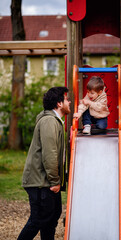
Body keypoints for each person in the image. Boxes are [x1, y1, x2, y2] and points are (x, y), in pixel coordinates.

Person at [17, 87, 71, 240]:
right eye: (67, 99)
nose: (69, 102)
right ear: (59, 103)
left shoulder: (53, 121)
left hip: (46, 181)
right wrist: (54, 181)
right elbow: (50, 154)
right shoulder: (49, 121)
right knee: (38, 220)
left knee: (51, 219)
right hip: (42, 182)